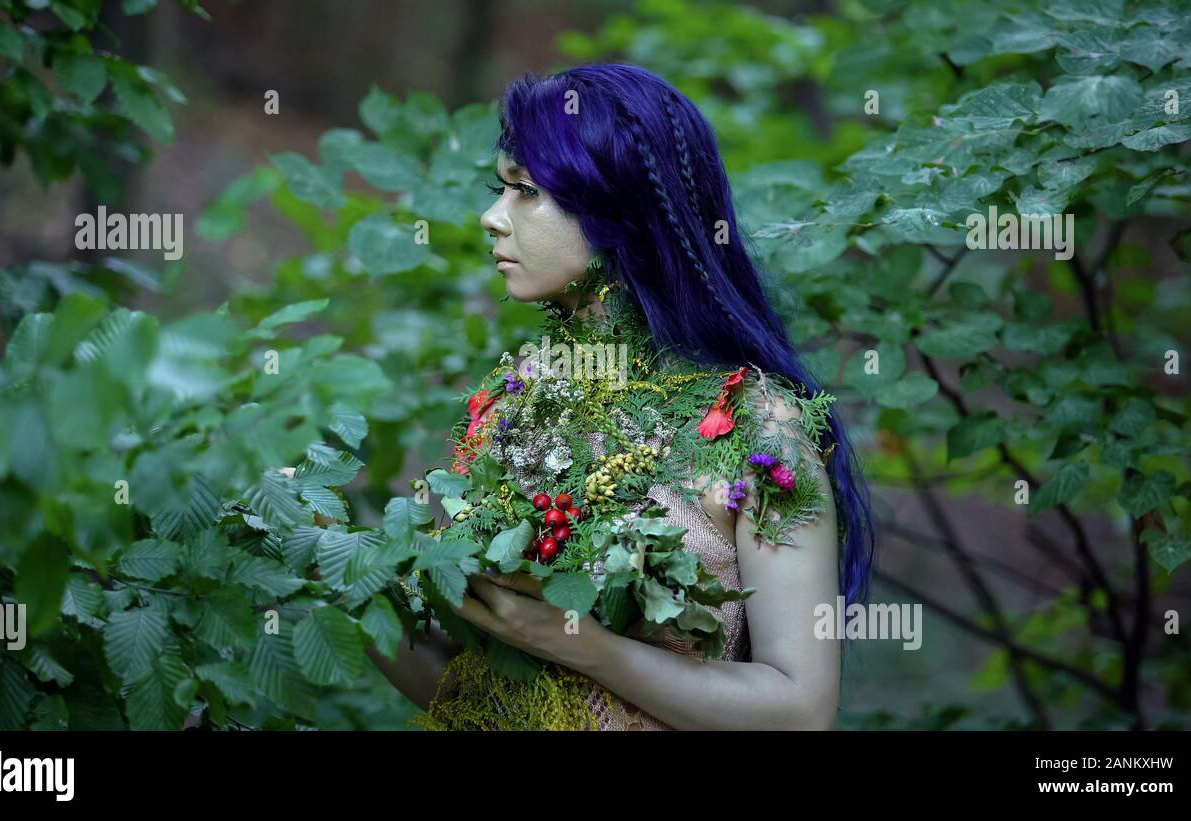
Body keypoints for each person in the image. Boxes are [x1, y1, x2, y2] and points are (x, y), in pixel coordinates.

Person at [368, 63, 875, 730]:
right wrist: (351, 586)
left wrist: (578, 642)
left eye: (525, 192)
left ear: (616, 209)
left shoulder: (753, 426)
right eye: (501, 188)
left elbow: (801, 710)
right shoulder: (519, 405)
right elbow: (474, 692)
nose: (492, 218)